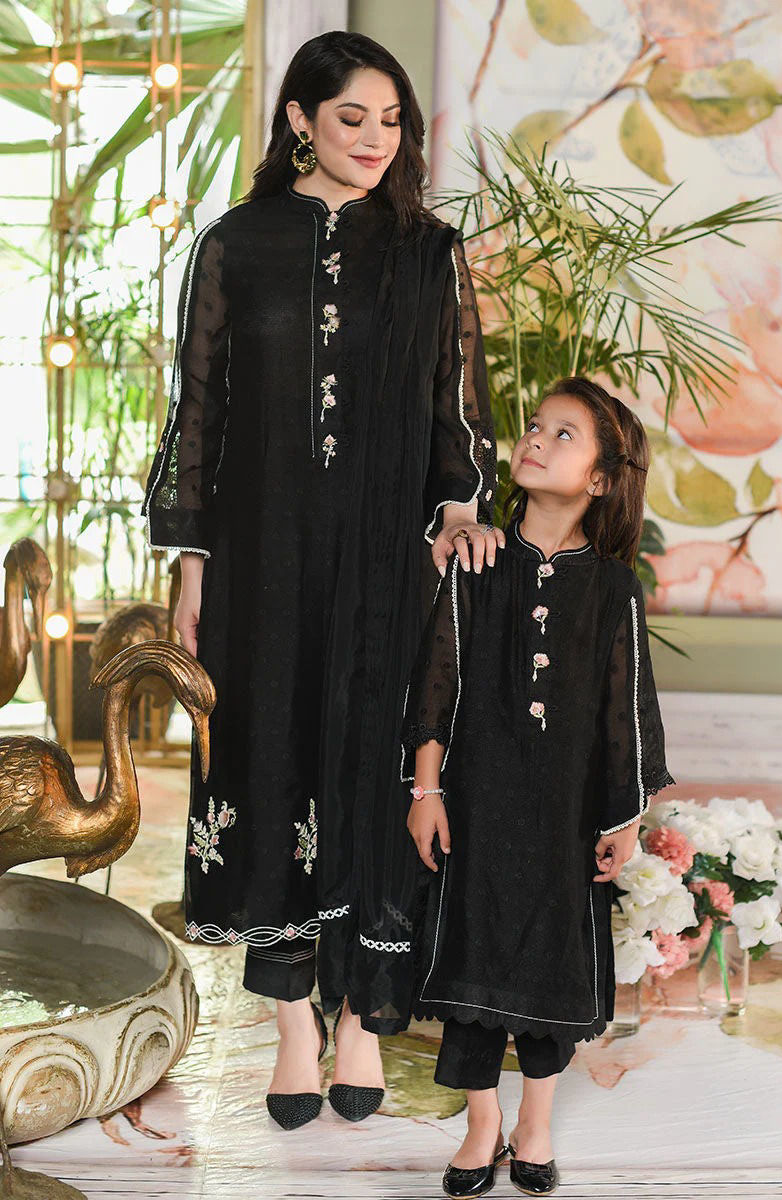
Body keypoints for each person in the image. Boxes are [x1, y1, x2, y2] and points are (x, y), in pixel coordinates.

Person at [141, 30, 498, 1131]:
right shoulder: (235, 245)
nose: (375, 141)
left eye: (392, 123)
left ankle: (363, 1020)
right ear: (299, 117)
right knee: (269, 757)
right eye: (352, 119)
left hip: (385, 558)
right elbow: (199, 411)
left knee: (372, 763)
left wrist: (458, 502)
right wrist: (192, 563)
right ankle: (295, 1020)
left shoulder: (428, 251)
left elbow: (456, 400)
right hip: (259, 557)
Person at [402, 377, 675, 1197]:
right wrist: (425, 792)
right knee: (472, 955)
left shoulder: (614, 588)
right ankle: (482, 1123)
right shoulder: (476, 561)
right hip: (476, 807)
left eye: (564, 435)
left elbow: (628, 710)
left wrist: (624, 819)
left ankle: (536, 1124)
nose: (535, 440)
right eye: (534, 426)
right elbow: (437, 680)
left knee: (554, 964)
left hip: (565, 816)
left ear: (601, 479)